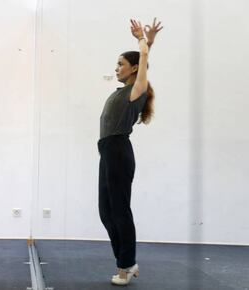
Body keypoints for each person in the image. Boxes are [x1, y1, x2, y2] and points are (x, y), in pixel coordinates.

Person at [98, 18, 162, 286]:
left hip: (118, 151)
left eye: (121, 64)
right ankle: (125, 261)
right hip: (107, 152)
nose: (116, 68)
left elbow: (143, 63)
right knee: (105, 210)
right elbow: (142, 62)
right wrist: (147, 45)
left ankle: (126, 264)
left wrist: (143, 41)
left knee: (120, 210)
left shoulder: (137, 91)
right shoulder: (124, 90)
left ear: (134, 68)